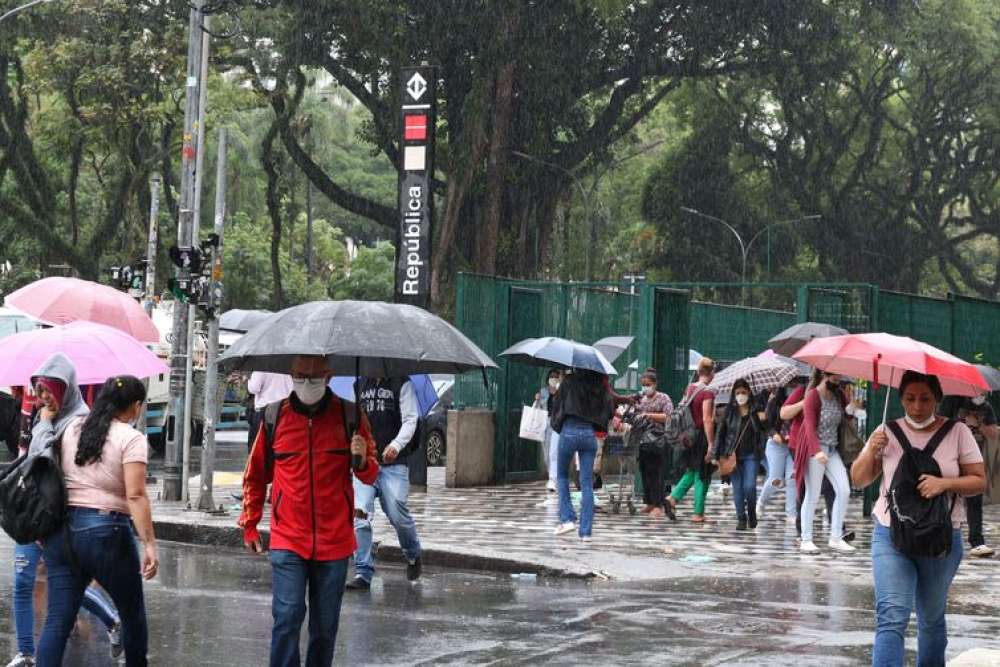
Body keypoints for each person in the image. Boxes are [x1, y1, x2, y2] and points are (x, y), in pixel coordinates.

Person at [240, 355, 378, 667]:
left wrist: (362, 457)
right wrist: (250, 523)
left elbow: (369, 475)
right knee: (287, 618)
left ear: (328, 376)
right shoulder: (275, 416)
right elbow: (255, 474)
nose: (306, 383)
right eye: (300, 376)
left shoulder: (351, 415)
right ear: (291, 375)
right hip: (288, 537)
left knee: (325, 628)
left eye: (313, 377)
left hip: (334, 540)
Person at [851, 371, 986, 667]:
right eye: (910, 399)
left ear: (937, 398)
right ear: (900, 399)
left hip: (940, 539)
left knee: (931, 619)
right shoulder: (885, 432)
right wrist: (871, 451)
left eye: (925, 399)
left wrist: (945, 484)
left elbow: (979, 481)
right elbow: (859, 480)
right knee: (891, 616)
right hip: (891, 535)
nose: (917, 407)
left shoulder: (958, 432)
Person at [6, 360, 125, 667]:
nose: (42, 397)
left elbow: (48, 460)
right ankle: (25, 653)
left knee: (64, 584)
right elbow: (28, 456)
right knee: (22, 578)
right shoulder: (34, 414)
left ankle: (112, 621)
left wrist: (44, 426)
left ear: (66, 389)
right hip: (31, 510)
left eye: (49, 391)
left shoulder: (80, 420)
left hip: (61, 514)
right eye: (39, 390)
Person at [34, 371, 157, 665]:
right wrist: (150, 544)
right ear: (135, 406)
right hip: (105, 532)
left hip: (61, 533)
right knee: (132, 615)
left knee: (57, 622)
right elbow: (136, 495)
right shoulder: (131, 438)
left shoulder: (73, 428)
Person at [346, 375, 424, 590]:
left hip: (394, 465)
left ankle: (412, 554)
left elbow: (410, 419)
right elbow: (353, 422)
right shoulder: (359, 384)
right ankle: (362, 571)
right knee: (360, 515)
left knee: (397, 513)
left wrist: (396, 446)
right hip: (365, 464)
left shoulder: (402, 384)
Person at [795, 370, 855, 554]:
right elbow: (809, 426)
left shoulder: (838, 394)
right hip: (816, 449)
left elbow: (847, 416)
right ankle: (806, 539)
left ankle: (836, 537)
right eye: (834, 379)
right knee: (812, 495)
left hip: (833, 449)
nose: (837, 382)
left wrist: (852, 408)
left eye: (839, 379)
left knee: (844, 490)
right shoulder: (813, 395)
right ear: (824, 376)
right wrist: (816, 451)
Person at [551, 369, 614, 540]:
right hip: (589, 434)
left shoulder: (569, 382)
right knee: (587, 483)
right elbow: (609, 409)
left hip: (569, 430)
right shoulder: (599, 384)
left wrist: (557, 424)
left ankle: (567, 519)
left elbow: (557, 407)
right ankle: (585, 532)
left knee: (562, 476)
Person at [941, 392, 997, 558]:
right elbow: (940, 424)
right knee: (945, 497)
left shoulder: (985, 407)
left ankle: (977, 542)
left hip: (973, 458)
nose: (980, 393)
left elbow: (993, 432)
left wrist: (978, 425)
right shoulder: (953, 400)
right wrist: (963, 423)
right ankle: (942, 536)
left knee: (974, 499)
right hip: (950, 454)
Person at [667, 358, 717, 524]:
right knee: (703, 473)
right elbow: (707, 419)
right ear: (712, 373)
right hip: (701, 437)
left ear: (698, 372)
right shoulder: (708, 392)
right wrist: (711, 444)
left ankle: (673, 499)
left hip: (688, 436)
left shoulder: (690, 389)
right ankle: (698, 513)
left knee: (693, 471)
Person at [715, 379, 764, 530]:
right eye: (737, 393)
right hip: (732, 455)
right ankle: (741, 519)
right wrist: (716, 455)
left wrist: (762, 418)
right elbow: (720, 434)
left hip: (751, 455)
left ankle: (751, 513)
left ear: (749, 392)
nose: (741, 395)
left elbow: (764, 430)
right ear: (733, 395)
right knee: (738, 488)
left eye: (743, 392)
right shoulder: (728, 412)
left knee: (749, 487)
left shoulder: (756, 410)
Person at [757, 377, 804, 525]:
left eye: (795, 384)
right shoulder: (775, 400)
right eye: (790, 384)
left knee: (792, 478)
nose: (793, 387)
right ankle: (761, 503)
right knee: (776, 478)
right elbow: (766, 424)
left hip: (793, 445)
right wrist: (774, 434)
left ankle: (791, 514)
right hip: (776, 444)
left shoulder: (803, 399)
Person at [633, 369, 674, 519]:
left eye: (648, 384)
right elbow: (635, 415)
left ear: (655, 384)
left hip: (658, 439)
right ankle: (649, 501)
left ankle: (658, 504)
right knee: (645, 471)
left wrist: (649, 416)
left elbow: (669, 416)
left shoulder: (663, 398)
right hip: (643, 440)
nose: (645, 387)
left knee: (656, 472)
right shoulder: (640, 399)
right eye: (643, 385)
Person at [246, 371, 294, 453]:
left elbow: (254, 388)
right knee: (281, 445)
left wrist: (247, 380)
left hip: (264, 410)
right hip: (284, 409)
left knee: (259, 447)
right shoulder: (289, 364)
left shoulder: (262, 366)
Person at [537, 369, 562, 493]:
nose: (553, 378)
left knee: (554, 452)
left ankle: (553, 479)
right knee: (546, 453)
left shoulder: (561, 392)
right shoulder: (543, 392)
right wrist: (537, 399)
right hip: (545, 422)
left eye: (556, 376)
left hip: (556, 423)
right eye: (551, 376)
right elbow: (538, 409)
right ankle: (551, 476)